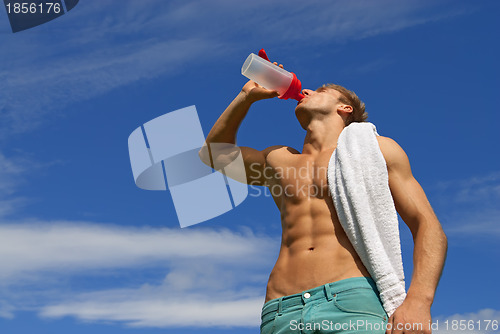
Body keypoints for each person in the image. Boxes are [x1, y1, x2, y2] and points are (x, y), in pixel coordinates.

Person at [199, 62, 447, 334]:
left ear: (345, 108)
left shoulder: (378, 149)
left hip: (351, 303)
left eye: (321, 90)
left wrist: (419, 300)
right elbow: (213, 155)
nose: (305, 90)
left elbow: (427, 224)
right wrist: (246, 97)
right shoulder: (279, 158)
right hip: (281, 311)